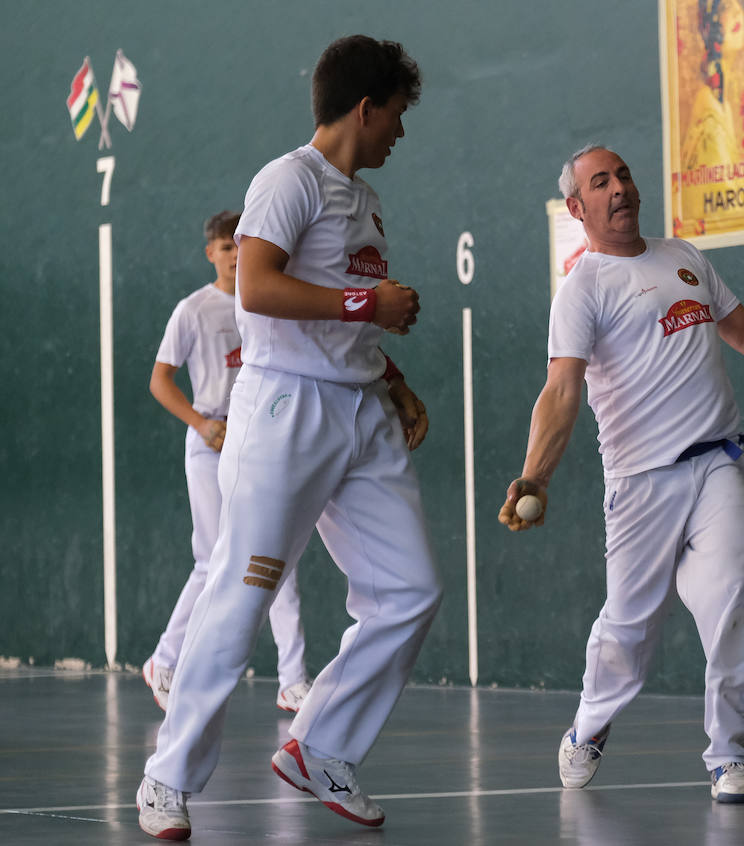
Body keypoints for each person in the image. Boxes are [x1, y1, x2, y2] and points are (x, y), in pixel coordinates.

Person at [136, 35, 442, 841]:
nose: (400, 136)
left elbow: (347, 312)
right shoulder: (287, 180)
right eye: (396, 118)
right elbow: (260, 287)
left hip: (361, 414)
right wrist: (367, 309)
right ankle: (167, 778)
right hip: (285, 412)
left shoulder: (365, 202)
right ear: (365, 108)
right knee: (243, 591)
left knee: (410, 591)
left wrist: (396, 382)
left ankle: (321, 747)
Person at [498, 145, 744, 804]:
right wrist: (536, 475)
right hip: (640, 483)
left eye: (623, 174)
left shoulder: (684, 257)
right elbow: (561, 391)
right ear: (578, 207)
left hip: (717, 463)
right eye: (602, 182)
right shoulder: (583, 287)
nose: (620, 188)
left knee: (736, 605)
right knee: (628, 629)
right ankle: (589, 728)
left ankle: (727, 755)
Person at [143, 210, 311, 716]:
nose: (235, 255)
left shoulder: (267, 301)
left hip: (261, 440)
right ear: (210, 254)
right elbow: (160, 380)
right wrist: (200, 423)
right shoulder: (192, 310)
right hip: (211, 440)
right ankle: (164, 661)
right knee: (214, 559)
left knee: (278, 558)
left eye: (240, 245)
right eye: (224, 247)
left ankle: (293, 679)